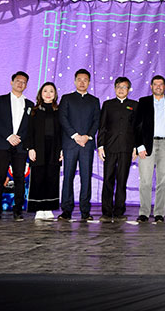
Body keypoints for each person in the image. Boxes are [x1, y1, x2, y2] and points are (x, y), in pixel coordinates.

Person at [0, 71, 34, 221]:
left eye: (23, 82)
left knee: (20, 178)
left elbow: (30, 127)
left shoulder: (30, 104)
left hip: (20, 147)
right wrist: (9, 136)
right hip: (3, 144)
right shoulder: (0, 100)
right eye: (17, 81)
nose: (20, 84)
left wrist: (22, 141)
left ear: (26, 85)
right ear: (11, 82)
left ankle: (18, 210)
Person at [58, 68, 100, 221]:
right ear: (75, 81)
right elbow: (62, 118)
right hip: (70, 143)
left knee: (86, 177)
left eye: (85, 80)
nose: (82, 82)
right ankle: (66, 210)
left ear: (89, 82)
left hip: (86, 145)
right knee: (67, 176)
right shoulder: (67, 98)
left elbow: (97, 121)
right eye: (79, 79)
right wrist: (75, 136)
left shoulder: (94, 101)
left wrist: (87, 136)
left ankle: (85, 211)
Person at [134, 75, 165, 223]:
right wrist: (139, 146)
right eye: (155, 84)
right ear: (151, 87)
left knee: (163, 181)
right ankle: (144, 213)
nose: (158, 87)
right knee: (145, 181)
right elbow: (137, 126)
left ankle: (159, 213)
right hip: (147, 145)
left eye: (161, 84)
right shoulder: (143, 102)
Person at [97, 77, 138, 223]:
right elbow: (102, 127)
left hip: (126, 148)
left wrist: (135, 147)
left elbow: (136, 129)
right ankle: (106, 212)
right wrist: (100, 146)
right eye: (119, 87)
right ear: (115, 88)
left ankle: (120, 211)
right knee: (108, 179)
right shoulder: (107, 105)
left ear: (129, 89)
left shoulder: (134, 105)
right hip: (110, 147)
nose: (121, 89)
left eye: (124, 87)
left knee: (122, 180)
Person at [25, 82, 62, 220]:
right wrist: (31, 148)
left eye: (51, 91)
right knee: (38, 177)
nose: (48, 93)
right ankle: (38, 208)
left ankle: (49, 207)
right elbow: (29, 131)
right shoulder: (34, 111)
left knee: (52, 177)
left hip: (54, 148)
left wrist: (61, 150)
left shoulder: (59, 111)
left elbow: (61, 132)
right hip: (38, 148)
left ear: (55, 94)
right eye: (45, 91)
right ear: (41, 93)